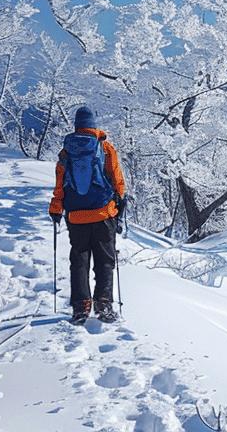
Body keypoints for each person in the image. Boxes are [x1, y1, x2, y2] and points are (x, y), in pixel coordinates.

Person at [49, 106, 128, 324]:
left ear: (76, 125)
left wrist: (56, 209)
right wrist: (120, 202)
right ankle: (103, 303)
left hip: (76, 216)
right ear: (94, 125)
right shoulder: (105, 148)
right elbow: (117, 179)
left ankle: (81, 306)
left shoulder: (66, 153)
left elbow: (60, 186)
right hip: (103, 214)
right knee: (105, 260)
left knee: (79, 260)